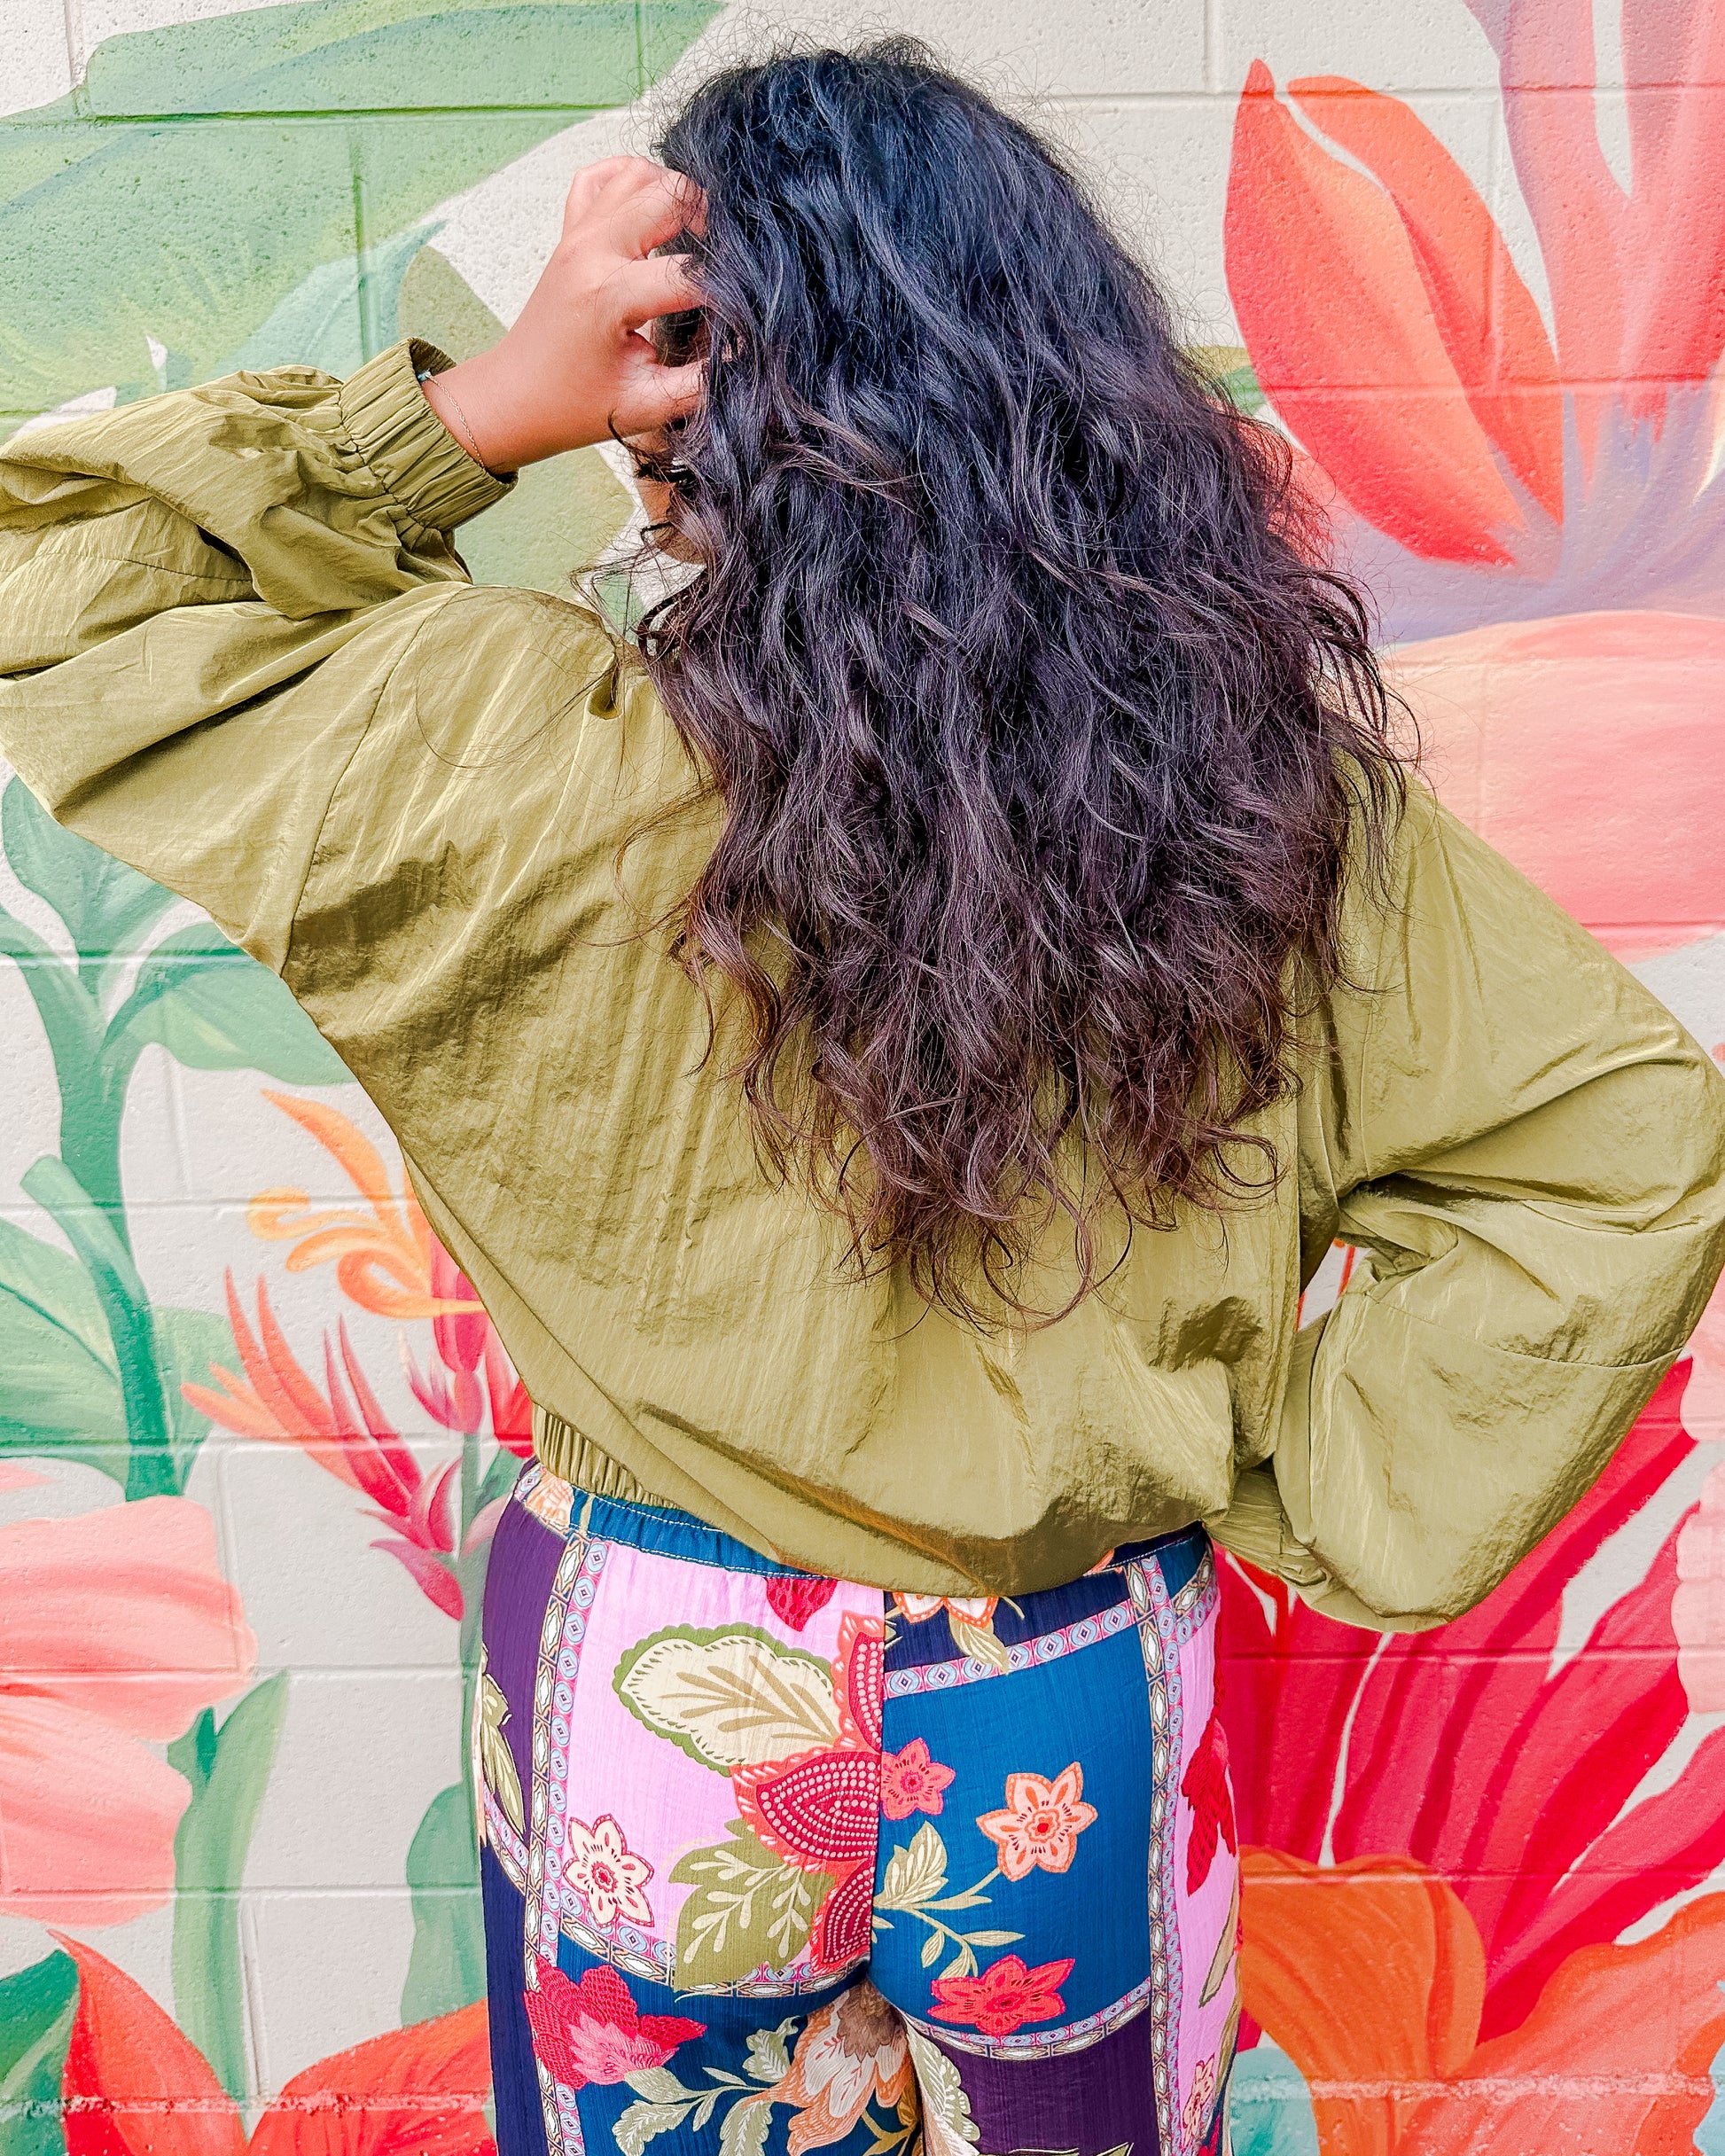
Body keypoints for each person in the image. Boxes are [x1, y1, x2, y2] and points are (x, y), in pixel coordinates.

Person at [3, 37, 1722, 2156]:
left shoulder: (497, 745)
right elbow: (1613, 1147)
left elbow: (56, 579)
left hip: (655, 1681)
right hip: (1062, 1684)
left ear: (683, 393)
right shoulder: (1265, 809)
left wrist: (472, 411)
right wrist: (1299, 1477)